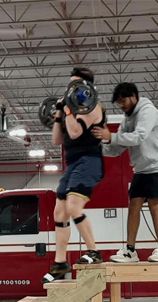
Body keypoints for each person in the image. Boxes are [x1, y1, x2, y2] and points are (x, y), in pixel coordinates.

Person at [93, 82, 158, 263]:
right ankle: (130, 250)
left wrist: (110, 136)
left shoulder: (148, 111)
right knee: (134, 204)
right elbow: (117, 148)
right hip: (143, 168)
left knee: (154, 205)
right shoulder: (126, 119)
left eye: (123, 101)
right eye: (119, 103)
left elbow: (139, 136)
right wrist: (96, 149)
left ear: (133, 97)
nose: (121, 106)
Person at [44, 67, 106, 283]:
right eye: (70, 85)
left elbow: (76, 132)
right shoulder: (70, 110)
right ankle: (60, 263)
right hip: (72, 164)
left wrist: (68, 111)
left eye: (76, 84)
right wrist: (58, 115)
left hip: (89, 161)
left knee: (73, 207)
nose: (72, 89)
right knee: (59, 212)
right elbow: (57, 140)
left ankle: (94, 251)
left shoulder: (94, 108)